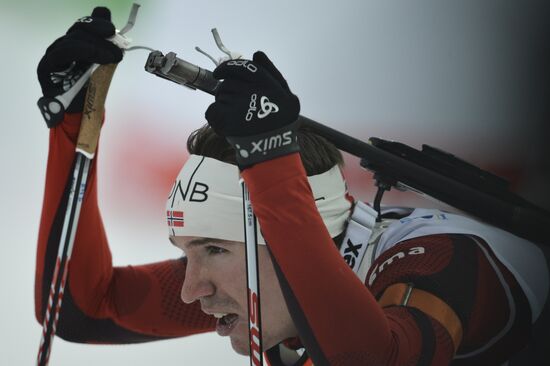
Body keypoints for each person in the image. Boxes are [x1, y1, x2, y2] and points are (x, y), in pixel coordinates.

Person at [35, 7, 550, 365]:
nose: (192, 290)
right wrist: (75, 124)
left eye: (213, 248)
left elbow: (370, 359)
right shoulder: (265, 275)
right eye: (189, 252)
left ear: (296, 235)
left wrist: (270, 156)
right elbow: (80, 307)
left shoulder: (440, 259)